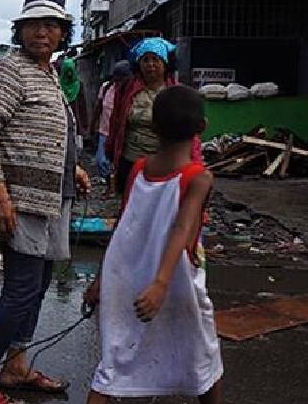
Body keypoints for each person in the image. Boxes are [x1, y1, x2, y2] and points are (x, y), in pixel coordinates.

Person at [0, 0, 91, 404]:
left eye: (51, 25)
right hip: (19, 199)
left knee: (39, 285)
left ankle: (15, 366)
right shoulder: (10, 70)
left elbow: (43, 131)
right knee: (20, 289)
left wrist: (72, 169)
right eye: (33, 25)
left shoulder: (49, 73)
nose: (42, 32)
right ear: (19, 31)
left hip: (50, 197)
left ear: (63, 34)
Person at [84, 85, 223, 403]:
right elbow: (182, 228)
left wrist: (101, 279)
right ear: (202, 127)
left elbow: (123, 227)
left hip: (128, 280)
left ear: (153, 127)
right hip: (176, 282)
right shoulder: (198, 177)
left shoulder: (138, 169)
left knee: (114, 362)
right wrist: (161, 283)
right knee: (202, 357)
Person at [106, 36, 200, 195]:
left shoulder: (176, 92)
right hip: (130, 160)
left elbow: (190, 131)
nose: (150, 65)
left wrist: (194, 160)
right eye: (145, 60)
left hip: (166, 161)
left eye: (156, 59)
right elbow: (116, 121)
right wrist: (110, 151)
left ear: (165, 63)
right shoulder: (127, 90)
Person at [91, 60, 131, 178]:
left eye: (122, 78)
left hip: (122, 134)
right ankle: (108, 181)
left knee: (117, 163)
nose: (118, 82)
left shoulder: (130, 92)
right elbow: (98, 107)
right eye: (116, 78)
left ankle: (113, 183)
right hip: (105, 131)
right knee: (101, 160)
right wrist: (92, 125)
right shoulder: (106, 87)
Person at [58, 57, 89, 136]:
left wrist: (85, 126)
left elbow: (83, 106)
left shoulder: (79, 85)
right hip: (62, 123)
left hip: (78, 124)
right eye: (67, 71)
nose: (69, 74)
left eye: (71, 71)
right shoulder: (58, 86)